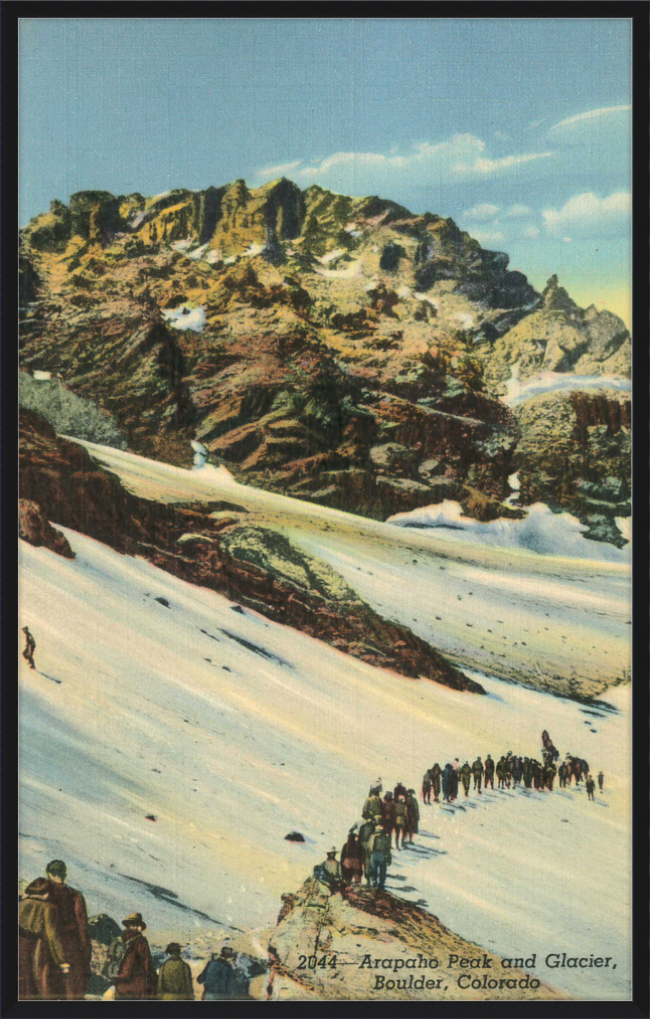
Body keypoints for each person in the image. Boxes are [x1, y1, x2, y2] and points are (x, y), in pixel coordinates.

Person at [43, 860, 90, 1000]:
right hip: (71, 946)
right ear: (64, 874)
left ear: (49, 875)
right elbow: (82, 927)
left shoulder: (44, 896)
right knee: (71, 989)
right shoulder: (76, 896)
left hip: (48, 946)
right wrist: (85, 952)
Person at [19, 878, 68, 999]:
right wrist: (62, 961)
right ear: (47, 893)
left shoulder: (23, 902)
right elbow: (52, 936)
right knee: (35, 982)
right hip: (33, 947)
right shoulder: (49, 908)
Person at [111, 912, 157, 1000]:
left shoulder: (119, 939)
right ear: (138, 925)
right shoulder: (140, 940)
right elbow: (147, 964)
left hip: (120, 986)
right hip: (136, 986)